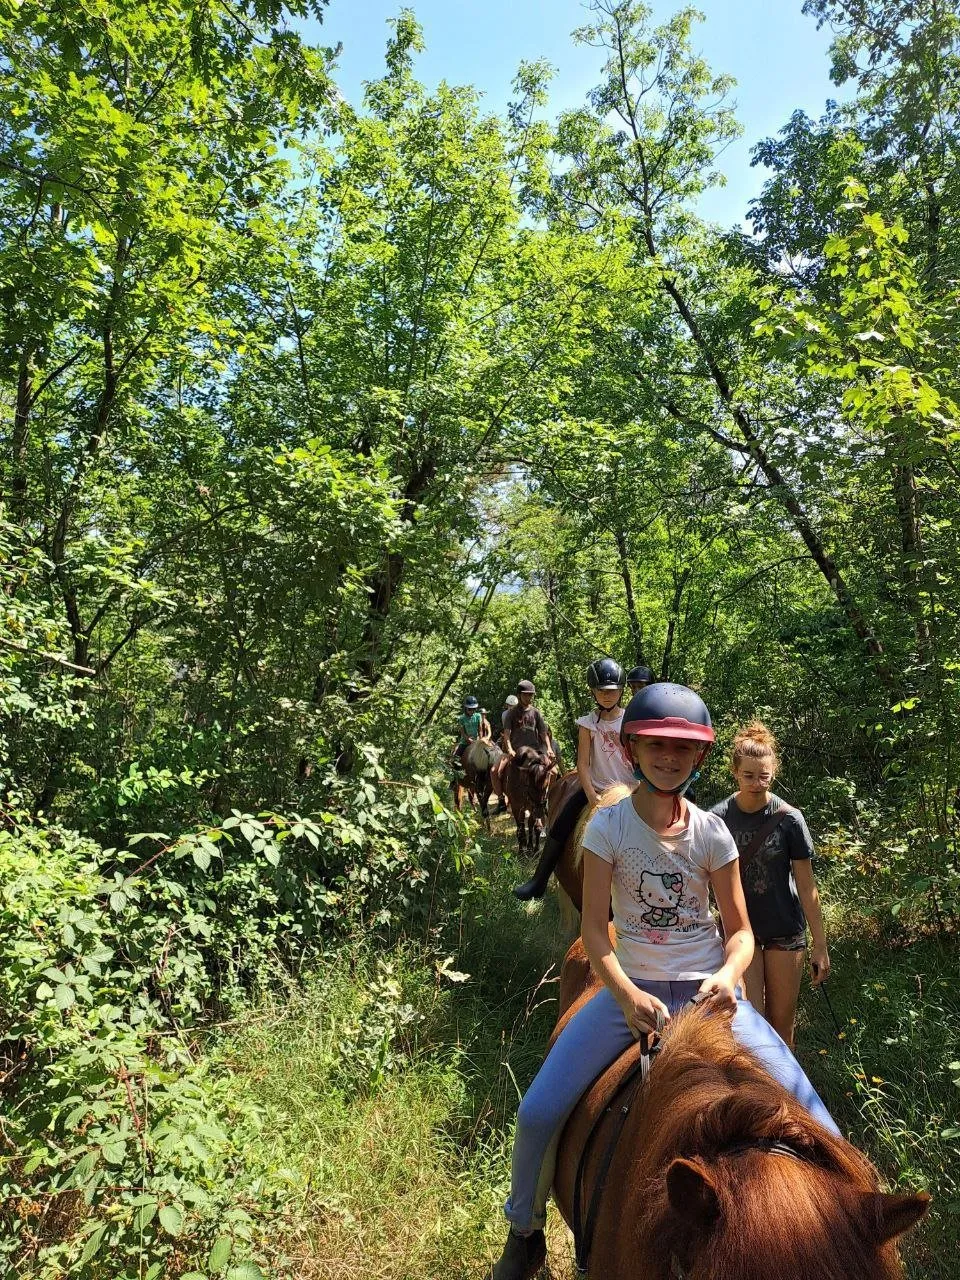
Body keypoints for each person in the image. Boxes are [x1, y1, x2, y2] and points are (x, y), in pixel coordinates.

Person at [489, 684, 839, 1280]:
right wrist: (624, 994)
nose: (669, 757)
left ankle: (833, 1234)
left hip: (705, 991)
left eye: (683, 748)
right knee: (538, 1110)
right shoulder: (607, 832)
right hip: (633, 990)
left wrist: (729, 977)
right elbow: (597, 935)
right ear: (632, 748)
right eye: (657, 744)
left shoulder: (712, 833)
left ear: (699, 757)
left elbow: (741, 934)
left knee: (820, 1124)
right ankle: (524, 1231)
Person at [710, 720, 830, 1050]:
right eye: (748, 776)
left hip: (785, 931)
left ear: (773, 772)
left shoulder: (790, 819)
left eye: (763, 776)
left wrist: (820, 945)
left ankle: (785, 1098)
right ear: (734, 771)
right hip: (740, 933)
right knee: (750, 1026)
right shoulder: (717, 819)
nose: (756, 784)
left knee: (781, 1028)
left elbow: (807, 887)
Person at [513, 658, 634, 901]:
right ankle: (539, 879)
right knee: (563, 821)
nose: (607, 695)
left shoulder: (631, 720)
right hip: (598, 788)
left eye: (613, 691)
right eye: (601, 690)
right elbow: (583, 763)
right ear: (592, 691)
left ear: (621, 691)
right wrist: (591, 795)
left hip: (631, 788)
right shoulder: (587, 724)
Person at [502, 680, 552, 759]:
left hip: (534, 751)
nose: (528, 697)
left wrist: (549, 748)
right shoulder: (511, 713)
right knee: (494, 771)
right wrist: (510, 750)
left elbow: (543, 734)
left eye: (530, 695)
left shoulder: (536, 713)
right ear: (519, 695)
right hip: (516, 752)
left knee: (554, 771)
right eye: (525, 695)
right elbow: (507, 734)